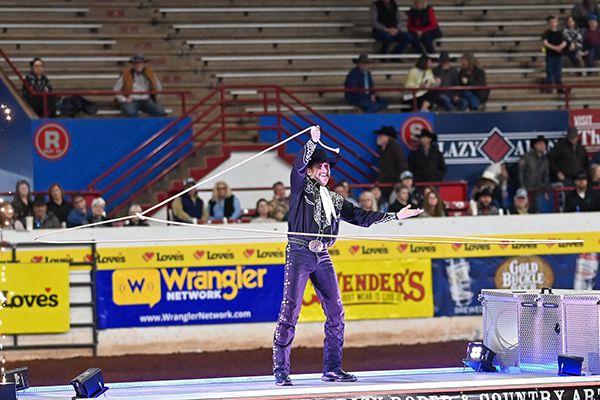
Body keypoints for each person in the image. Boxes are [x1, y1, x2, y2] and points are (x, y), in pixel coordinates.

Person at [272, 126, 422, 386]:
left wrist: (396, 215)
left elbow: (362, 217)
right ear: (310, 171)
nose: (324, 170)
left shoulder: (335, 200)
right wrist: (311, 142)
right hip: (299, 251)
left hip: (322, 254)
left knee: (336, 312)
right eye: (319, 166)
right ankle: (281, 370)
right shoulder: (300, 187)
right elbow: (297, 167)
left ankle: (332, 368)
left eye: (327, 167)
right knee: (291, 310)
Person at [519, 135, 551, 213]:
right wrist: (523, 188)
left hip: (539, 189)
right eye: (540, 144)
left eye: (544, 144)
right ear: (535, 145)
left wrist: (546, 190)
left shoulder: (545, 159)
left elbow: (546, 176)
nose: (542, 146)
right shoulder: (526, 157)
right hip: (527, 188)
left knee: (539, 209)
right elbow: (521, 173)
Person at [374, 126, 408, 198]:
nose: (378, 138)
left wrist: (397, 181)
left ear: (387, 137)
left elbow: (402, 166)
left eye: (381, 136)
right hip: (385, 183)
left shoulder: (395, 148)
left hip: (392, 184)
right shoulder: (383, 149)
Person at [542, 16, 567, 92]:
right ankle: (549, 87)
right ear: (549, 23)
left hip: (558, 56)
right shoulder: (546, 33)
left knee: (558, 72)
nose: (553, 23)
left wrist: (560, 47)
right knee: (550, 72)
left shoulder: (560, 33)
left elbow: (565, 42)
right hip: (550, 56)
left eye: (555, 21)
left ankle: (559, 87)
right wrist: (555, 48)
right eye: (551, 22)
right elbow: (545, 43)